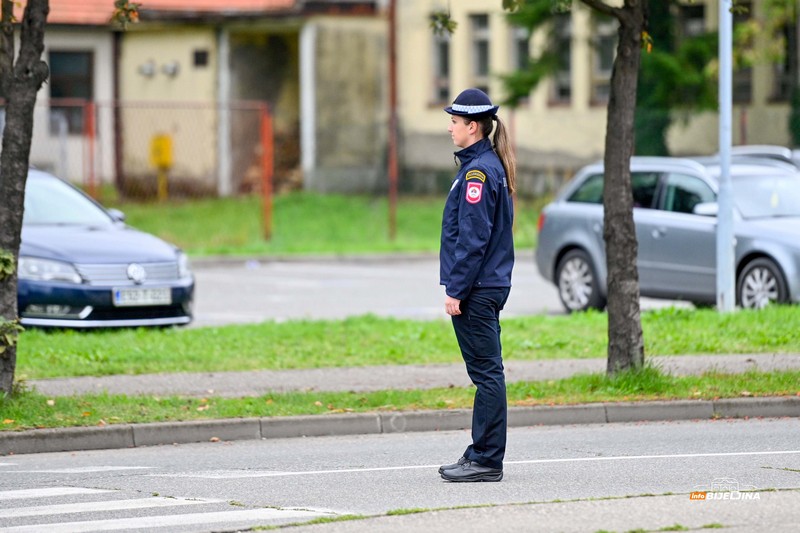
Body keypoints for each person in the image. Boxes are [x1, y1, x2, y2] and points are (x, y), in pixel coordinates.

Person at [438, 88, 516, 482]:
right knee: (487, 372)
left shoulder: (478, 173)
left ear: (473, 127)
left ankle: (486, 459)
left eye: (455, 121)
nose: (450, 128)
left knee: (486, 374)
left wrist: (456, 290)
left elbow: (473, 238)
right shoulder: (483, 166)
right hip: (485, 285)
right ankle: (480, 453)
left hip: (478, 288)